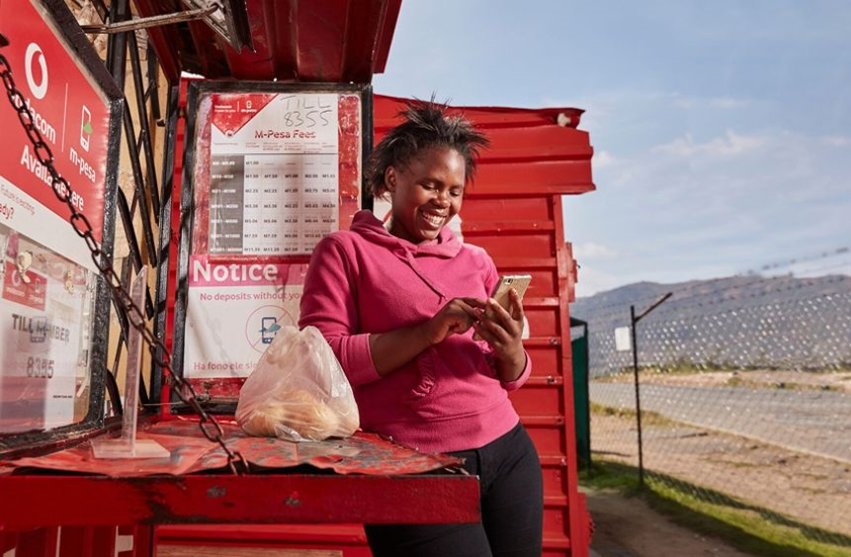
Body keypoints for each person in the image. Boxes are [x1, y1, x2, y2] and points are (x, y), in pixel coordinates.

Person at [299, 99, 543, 557]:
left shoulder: (477, 261)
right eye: (430, 185)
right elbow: (323, 361)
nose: (443, 203)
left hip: (509, 452)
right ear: (393, 179)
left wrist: (512, 350)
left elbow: (508, 376)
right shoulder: (345, 251)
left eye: (454, 191)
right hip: (410, 464)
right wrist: (428, 332)